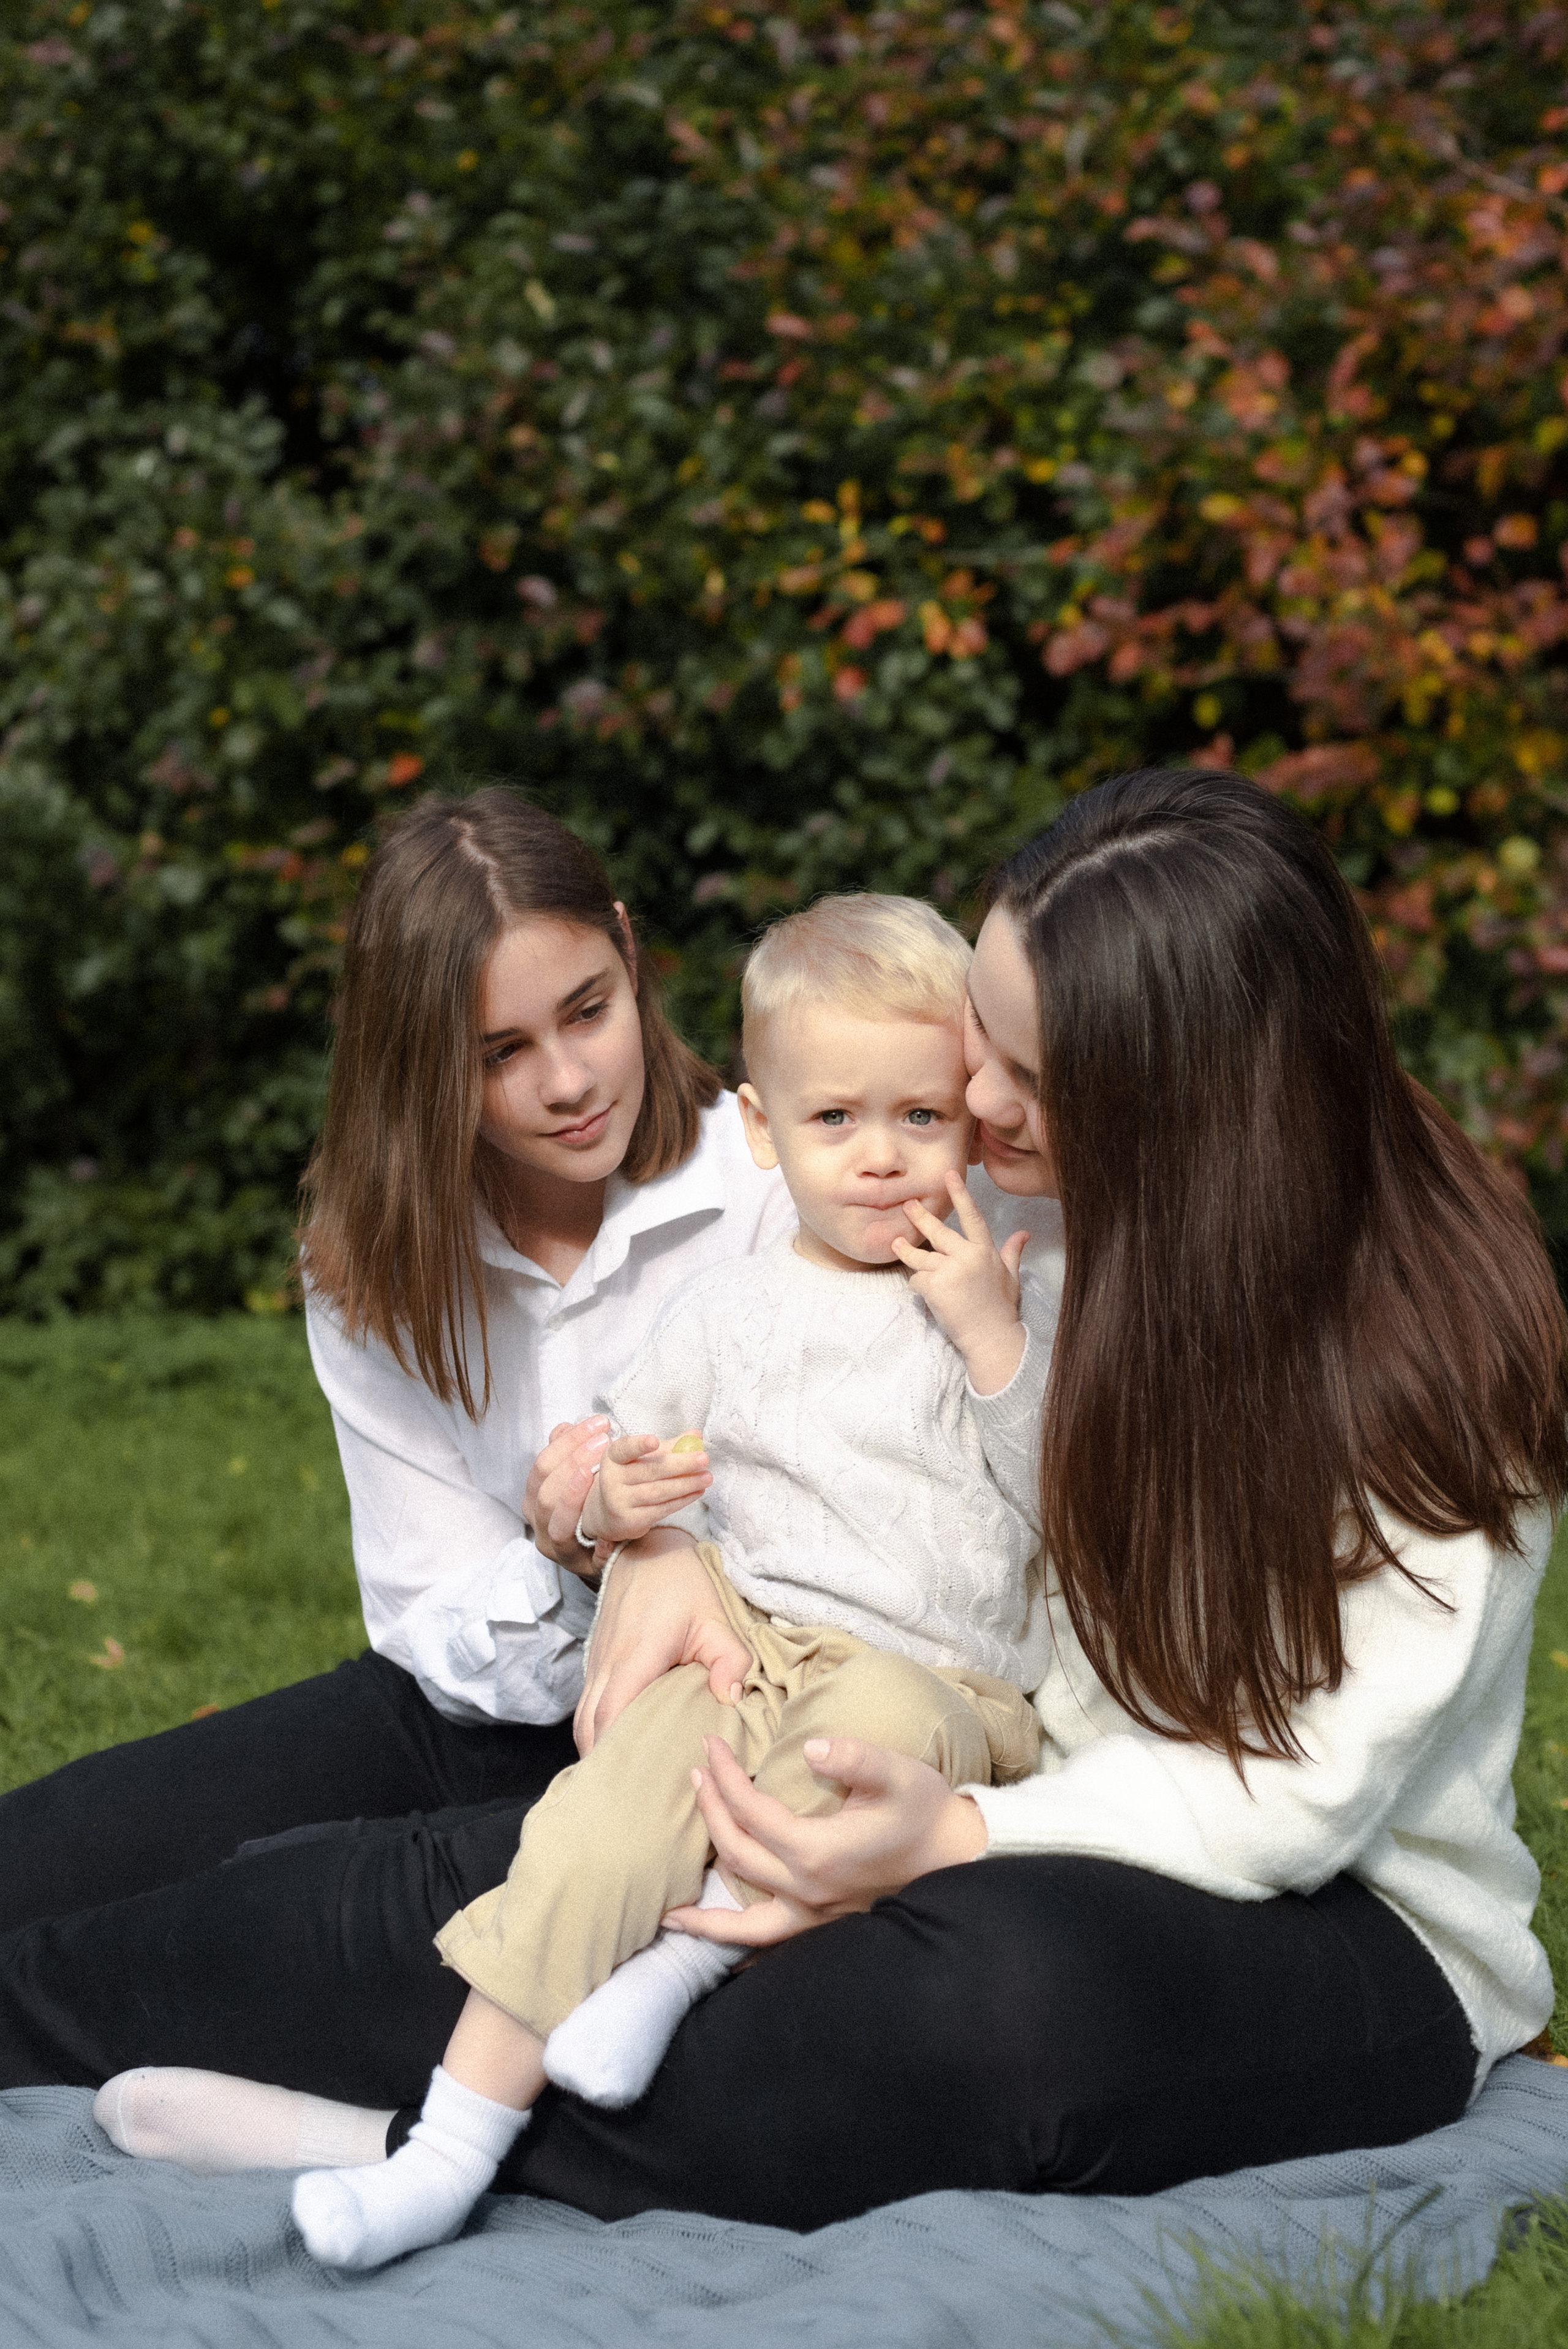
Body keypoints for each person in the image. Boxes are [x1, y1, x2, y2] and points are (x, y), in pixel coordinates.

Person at [0, 768, 1556, 2236]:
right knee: (512, 1885)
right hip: (899, 1746)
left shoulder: (1426, 1381)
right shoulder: (1033, 1201)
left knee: (961, 2017)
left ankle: (428, 2146)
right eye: (979, 1041)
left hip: (1323, 1910)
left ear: (1180, 1092)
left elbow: (1289, 1800)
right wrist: (650, 1536)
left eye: (1021, 1065)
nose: (969, 1092)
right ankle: (356, 2078)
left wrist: (951, 1834)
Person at [284, 893, 1050, 2267]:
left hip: (941, 1679)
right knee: (600, 1816)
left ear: (970, 1118)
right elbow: (619, 1458)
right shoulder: (727, 1312)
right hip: (745, 1646)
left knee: (865, 1736)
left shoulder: (995, 1286)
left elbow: (1064, 1498)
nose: (878, 1159)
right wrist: (608, 1505)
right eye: (833, 1122)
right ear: (762, 1128)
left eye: (919, 1120)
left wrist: (992, 1340)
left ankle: (680, 1959)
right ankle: (444, 2148)